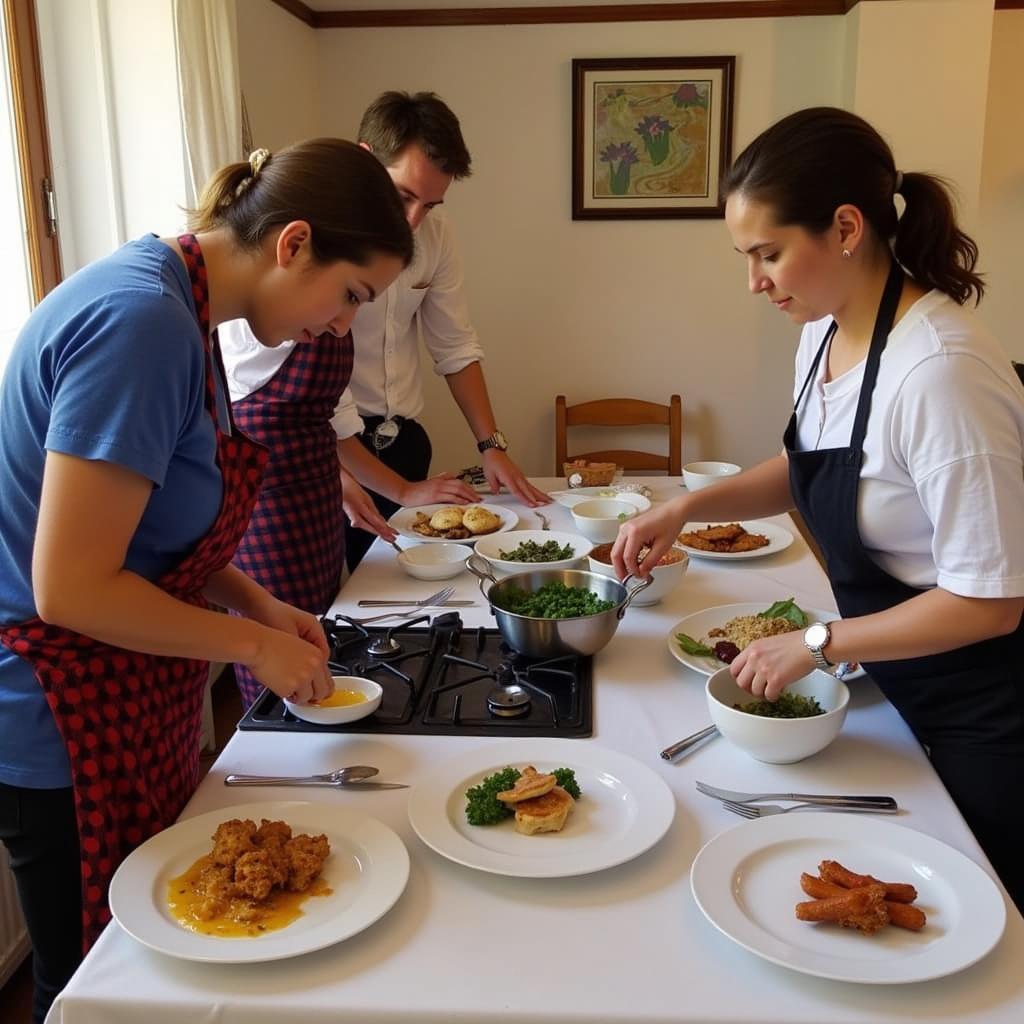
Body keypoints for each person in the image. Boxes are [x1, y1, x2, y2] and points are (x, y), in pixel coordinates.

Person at [0, 137, 412, 1022]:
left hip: (125, 684)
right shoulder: (141, 323)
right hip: (61, 709)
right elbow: (69, 586)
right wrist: (250, 644)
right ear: (293, 242)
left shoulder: (186, 317)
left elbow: (147, 533)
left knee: (160, 962)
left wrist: (255, 600)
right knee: (92, 983)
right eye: (350, 296)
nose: (342, 327)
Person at [613, 107, 1024, 907]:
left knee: (970, 923)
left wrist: (821, 640)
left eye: (768, 254)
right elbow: (806, 471)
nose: (755, 282)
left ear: (845, 228)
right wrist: (686, 507)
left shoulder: (941, 375)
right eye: (746, 257)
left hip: (976, 710)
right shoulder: (827, 330)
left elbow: (992, 602)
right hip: (890, 685)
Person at [220, 90, 548, 587]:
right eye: (403, 197)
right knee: (315, 612)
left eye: (431, 204)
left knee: (385, 598)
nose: (413, 222)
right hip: (318, 453)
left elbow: (455, 344)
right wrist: (348, 472)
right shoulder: (316, 243)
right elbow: (295, 397)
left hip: (388, 445)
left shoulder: (436, 237)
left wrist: (491, 444)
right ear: (365, 161)